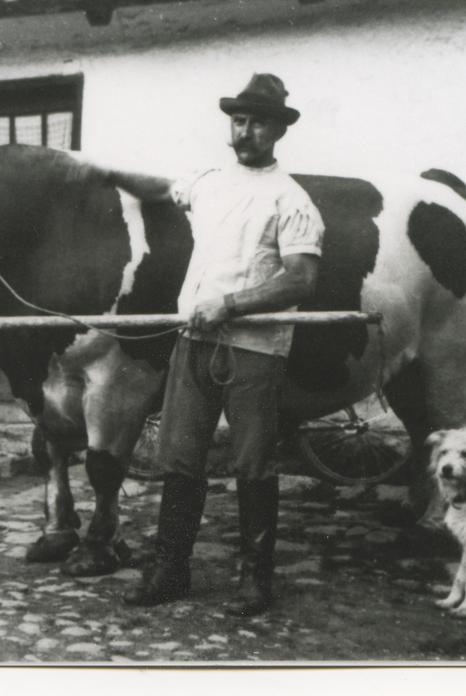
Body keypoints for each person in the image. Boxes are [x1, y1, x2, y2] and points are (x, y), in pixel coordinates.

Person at [87, 74, 324, 616]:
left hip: (256, 348)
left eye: (258, 122)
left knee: (253, 463)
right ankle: (171, 570)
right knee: (182, 457)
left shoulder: (292, 200)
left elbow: (301, 280)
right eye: (239, 120)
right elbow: (159, 186)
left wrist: (233, 304)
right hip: (195, 339)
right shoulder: (210, 181)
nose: (246, 131)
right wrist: (104, 169)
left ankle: (255, 581)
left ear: (278, 130)